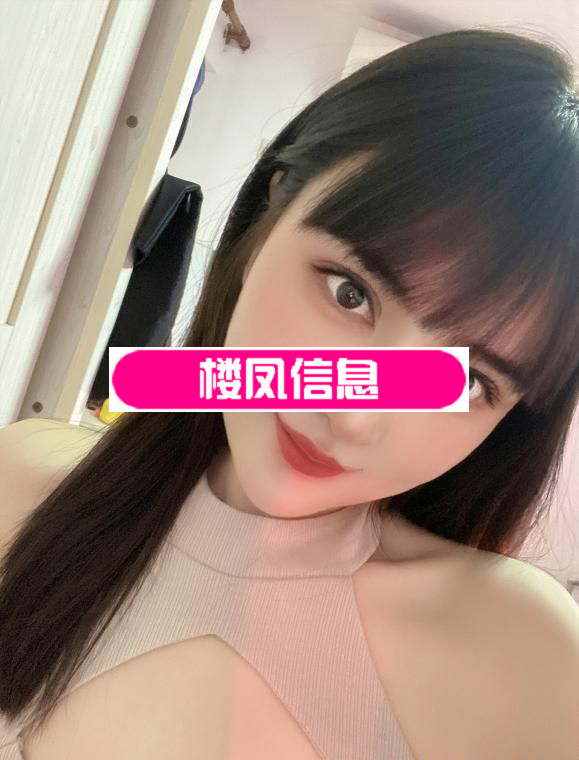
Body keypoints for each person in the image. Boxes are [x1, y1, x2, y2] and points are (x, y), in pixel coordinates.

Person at [1, 28, 579, 760]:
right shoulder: (23, 479)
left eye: (466, 380)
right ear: (269, 214)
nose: (355, 416)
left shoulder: (518, 656)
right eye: (350, 293)